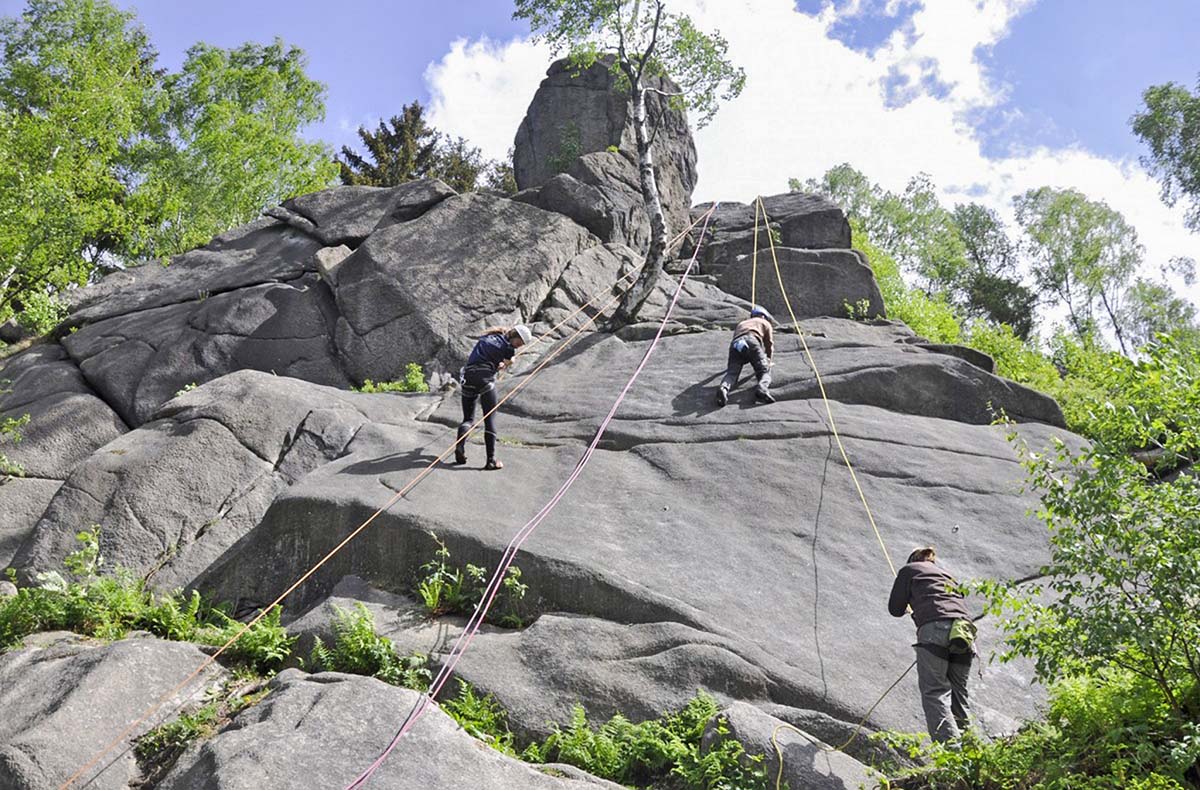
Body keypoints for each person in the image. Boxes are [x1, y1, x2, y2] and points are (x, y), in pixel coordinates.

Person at [887, 546, 978, 745]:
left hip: (935, 630)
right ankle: (974, 751)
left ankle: (952, 753)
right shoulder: (948, 575)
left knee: (935, 692)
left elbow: (895, 609)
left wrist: (911, 605)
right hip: (963, 633)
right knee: (958, 693)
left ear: (913, 560)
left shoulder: (909, 570)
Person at [455, 324, 532, 470]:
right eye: (519, 342)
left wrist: (498, 364)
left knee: (468, 419)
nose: (519, 346)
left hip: (468, 377)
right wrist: (509, 362)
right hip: (485, 379)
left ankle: (460, 446)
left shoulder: (488, 337)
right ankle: (491, 460)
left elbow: (487, 356)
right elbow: (508, 360)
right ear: (515, 336)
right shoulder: (509, 348)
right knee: (490, 419)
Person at [717, 306, 775, 406]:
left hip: (736, 344)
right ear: (764, 316)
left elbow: (736, 339)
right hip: (752, 339)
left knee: (732, 373)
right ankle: (762, 389)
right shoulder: (765, 323)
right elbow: (769, 344)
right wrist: (768, 360)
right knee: (763, 371)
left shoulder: (742, 323)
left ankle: (724, 388)